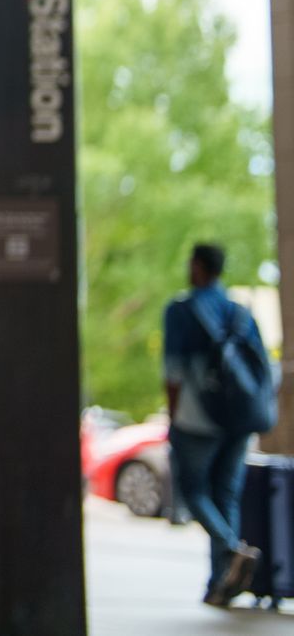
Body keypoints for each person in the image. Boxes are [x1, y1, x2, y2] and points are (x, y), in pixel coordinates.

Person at [165, 242, 270, 607]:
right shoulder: (240, 313)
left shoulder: (182, 311)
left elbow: (173, 371)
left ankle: (230, 550)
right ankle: (219, 584)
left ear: (196, 266)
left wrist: (172, 416)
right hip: (239, 420)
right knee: (225, 495)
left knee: (194, 492)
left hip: (197, 420)